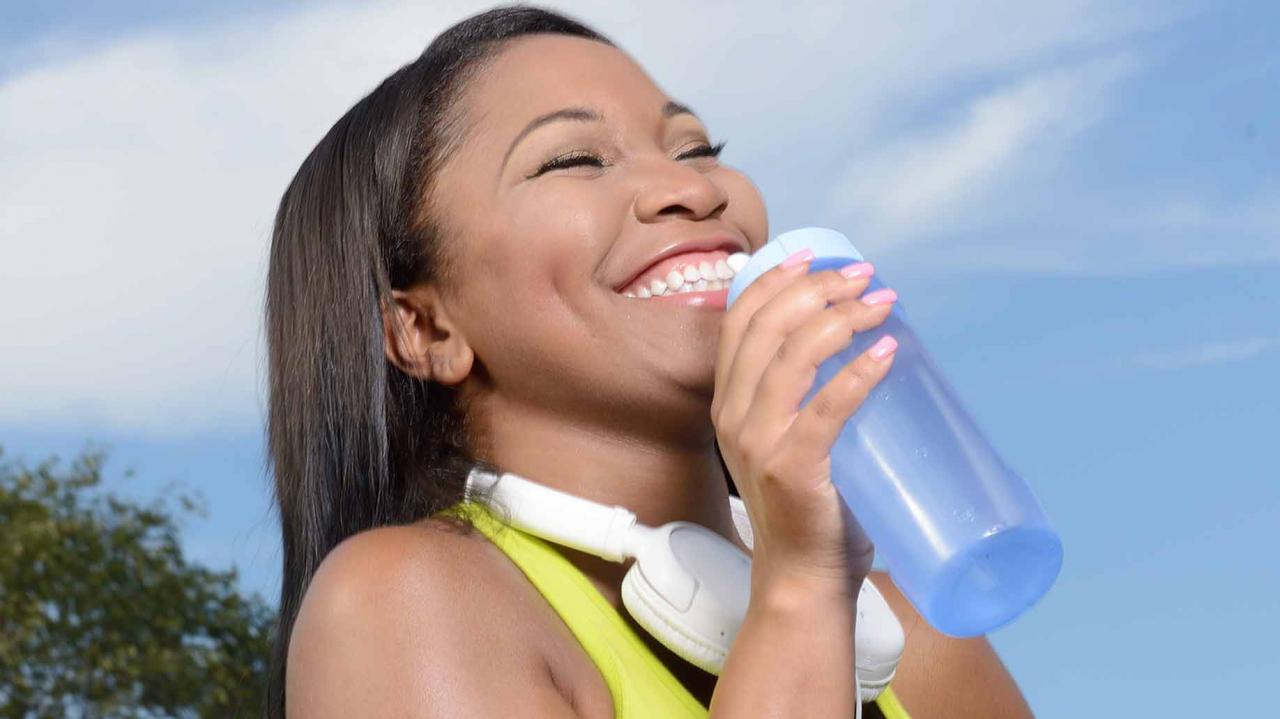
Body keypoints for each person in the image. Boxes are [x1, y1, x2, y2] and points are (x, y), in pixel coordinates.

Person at [263, 4, 1035, 717]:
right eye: (573, 159)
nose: (690, 188)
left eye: (697, 149)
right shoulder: (401, 604)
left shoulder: (921, 646)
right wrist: (800, 593)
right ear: (424, 329)